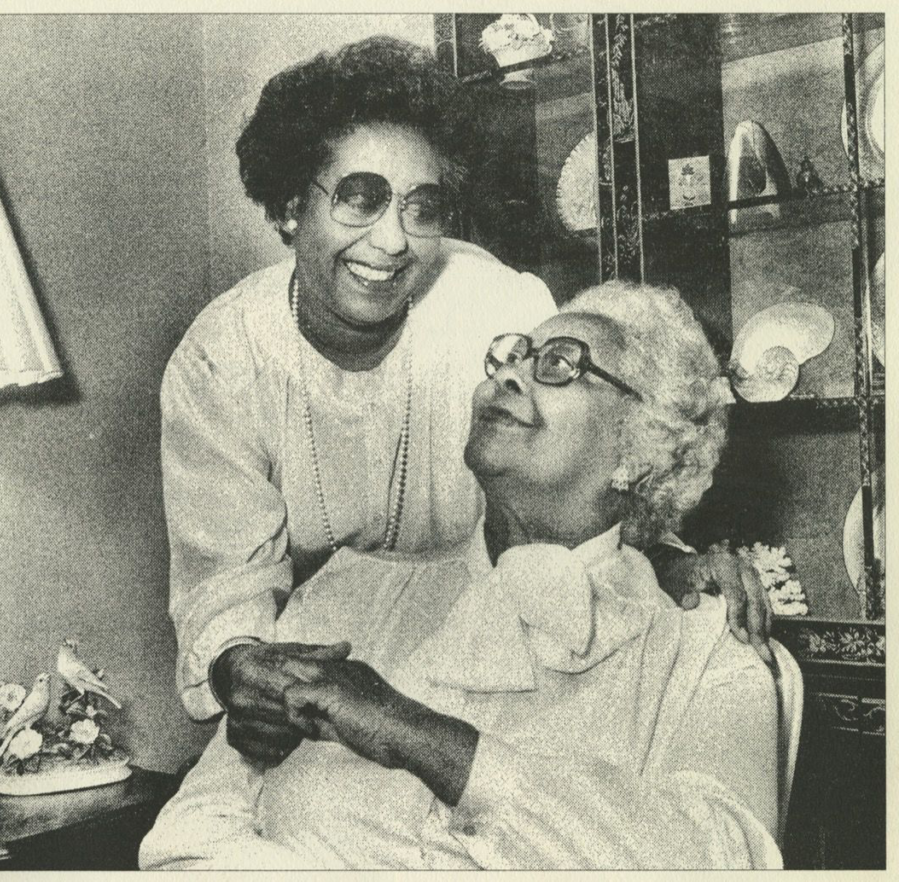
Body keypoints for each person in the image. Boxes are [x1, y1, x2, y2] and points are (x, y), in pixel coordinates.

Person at [162, 35, 772, 766]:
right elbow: (222, 588)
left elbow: (586, 461)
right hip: (329, 679)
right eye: (360, 199)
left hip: (502, 656)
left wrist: (660, 561)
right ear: (293, 204)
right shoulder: (223, 358)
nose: (392, 241)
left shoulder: (494, 305)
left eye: (423, 208)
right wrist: (240, 667)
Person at [141, 281, 782, 869]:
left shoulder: (706, 649)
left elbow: (731, 859)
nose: (505, 376)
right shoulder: (347, 594)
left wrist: (421, 737)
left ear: (639, 446)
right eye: (508, 356)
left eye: (557, 363)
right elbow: (186, 836)